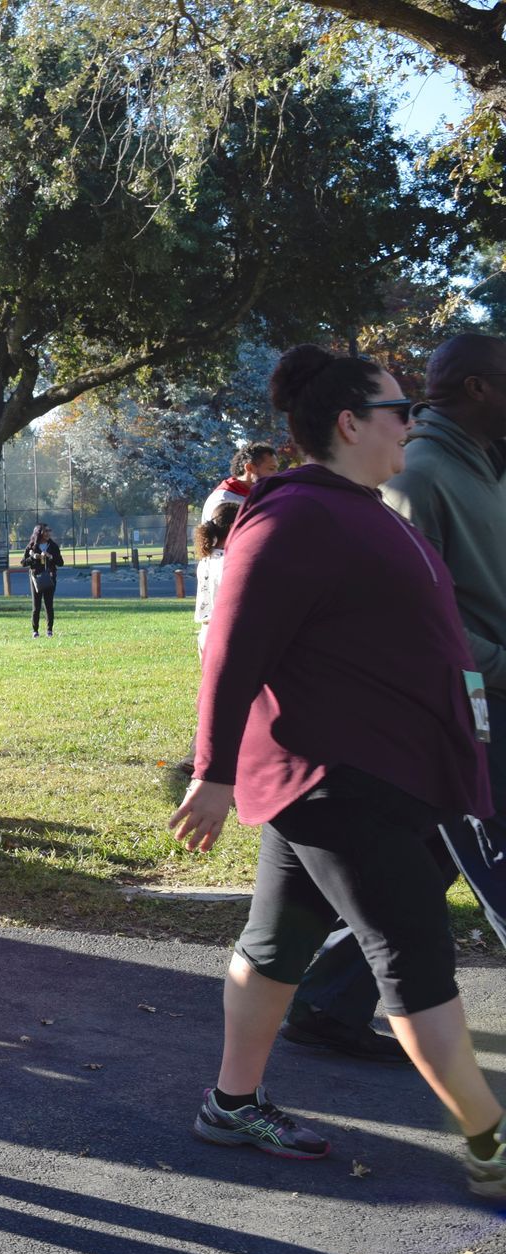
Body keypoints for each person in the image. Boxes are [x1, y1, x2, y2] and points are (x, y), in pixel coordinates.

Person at [170, 346, 506, 1198]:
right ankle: (490, 1145)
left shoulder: (365, 508)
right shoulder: (291, 520)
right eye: (400, 410)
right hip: (339, 783)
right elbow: (232, 652)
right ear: (350, 423)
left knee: (276, 944)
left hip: (369, 771)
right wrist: (211, 772)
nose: (414, 422)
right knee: (414, 960)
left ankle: (230, 1103)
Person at [278, 333, 506, 1063]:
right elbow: (417, 618)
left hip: (480, 700)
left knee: (431, 859)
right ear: (477, 388)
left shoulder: (480, 465)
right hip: (467, 708)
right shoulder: (421, 475)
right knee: (487, 858)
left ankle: (326, 1003)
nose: (401, 421)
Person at [192, 503, 238, 659]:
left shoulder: (207, 559)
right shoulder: (229, 562)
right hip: (223, 636)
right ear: (233, 526)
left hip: (206, 634)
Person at [200, 443, 280, 524]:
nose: (277, 474)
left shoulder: (253, 495)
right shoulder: (224, 501)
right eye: (271, 468)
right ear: (249, 468)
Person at [20, 524, 63, 638]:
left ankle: (49, 631)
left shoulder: (53, 546)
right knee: (36, 606)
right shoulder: (31, 547)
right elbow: (23, 562)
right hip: (36, 578)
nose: (49, 533)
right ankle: (35, 631)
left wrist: (51, 557)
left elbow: (61, 562)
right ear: (39, 533)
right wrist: (34, 557)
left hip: (50, 577)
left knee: (49, 605)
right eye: (46, 531)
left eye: (49, 530)